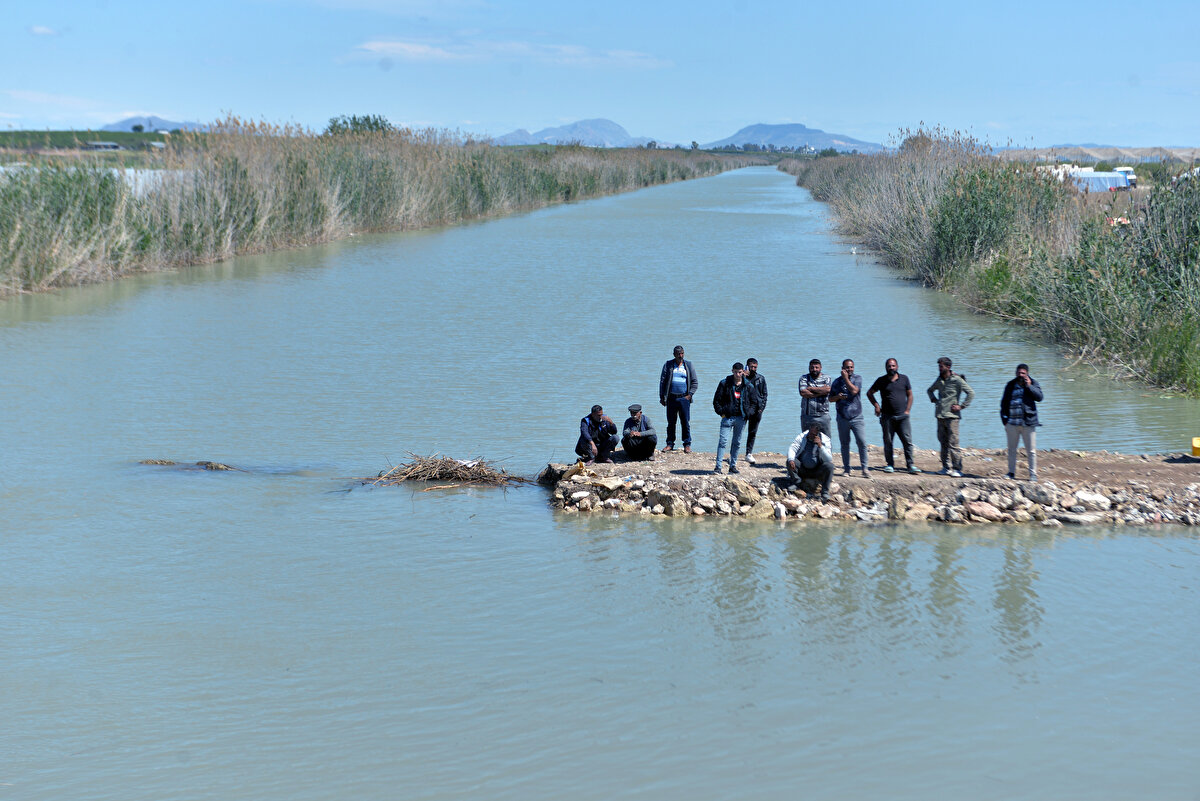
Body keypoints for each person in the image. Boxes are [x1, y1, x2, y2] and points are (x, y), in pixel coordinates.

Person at [866, 358, 920, 474]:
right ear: (886, 367)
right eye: (889, 366)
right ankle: (890, 464)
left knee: (907, 441)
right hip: (887, 417)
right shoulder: (881, 380)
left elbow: (910, 395)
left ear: (897, 367)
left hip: (903, 417)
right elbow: (869, 393)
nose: (891, 368)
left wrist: (907, 410)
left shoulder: (904, 379)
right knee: (888, 441)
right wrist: (876, 405)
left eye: (893, 366)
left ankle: (910, 465)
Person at [927, 356, 975, 477]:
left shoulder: (957, 380)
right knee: (943, 443)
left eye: (941, 366)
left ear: (948, 367)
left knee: (953, 444)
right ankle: (946, 467)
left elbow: (971, 393)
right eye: (939, 366)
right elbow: (930, 390)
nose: (939, 368)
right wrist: (933, 399)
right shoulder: (939, 380)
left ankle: (957, 469)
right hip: (940, 416)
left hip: (952, 417)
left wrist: (961, 406)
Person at [712, 362, 760, 474]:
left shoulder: (748, 385)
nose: (738, 374)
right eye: (735, 372)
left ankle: (732, 466)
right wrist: (722, 413)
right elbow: (716, 401)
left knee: (737, 443)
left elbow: (754, 402)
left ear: (743, 372)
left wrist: (748, 414)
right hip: (727, 418)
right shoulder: (724, 383)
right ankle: (718, 467)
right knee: (722, 441)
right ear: (732, 371)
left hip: (741, 418)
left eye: (740, 372)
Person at [1000, 363, 1044, 481]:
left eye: (1023, 373)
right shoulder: (1010, 385)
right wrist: (1004, 420)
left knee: (1031, 451)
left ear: (1027, 373)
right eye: (1019, 373)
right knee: (1011, 450)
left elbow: (1040, 397)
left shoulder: (1033, 383)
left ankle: (1033, 474)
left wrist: (1029, 386)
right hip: (1012, 423)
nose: (1021, 375)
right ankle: (1011, 473)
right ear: (1016, 373)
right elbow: (1003, 403)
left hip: (1028, 423)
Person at [829, 358, 870, 477]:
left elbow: (854, 391)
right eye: (847, 367)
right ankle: (846, 469)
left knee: (862, 442)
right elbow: (830, 399)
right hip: (842, 417)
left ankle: (864, 469)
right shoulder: (836, 382)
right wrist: (838, 397)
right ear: (842, 368)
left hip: (857, 417)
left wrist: (846, 378)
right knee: (844, 444)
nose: (849, 369)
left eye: (851, 367)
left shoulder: (857, 378)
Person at [659, 345, 698, 453]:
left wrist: (690, 395)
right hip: (671, 398)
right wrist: (662, 396)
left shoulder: (688, 365)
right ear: (674, 354)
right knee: (671, 422)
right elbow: (662, 381)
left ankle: (687, 444)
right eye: (678, 354)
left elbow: (695, 382)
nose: (680, 356)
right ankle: (670, 443)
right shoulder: (668, 365)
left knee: (685, 422)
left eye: (682, 353)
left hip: (684, 398)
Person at [787, 423, 835, 502]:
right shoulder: (802, 436)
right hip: (803, 469)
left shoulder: (825, 440)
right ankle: (797, 482)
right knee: (790, 461)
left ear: (817, 434)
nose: (810, 435)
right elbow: (792, 448)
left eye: (813, 434)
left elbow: (828, 459)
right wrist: (791, 459)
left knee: (830, 466)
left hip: (817, 471)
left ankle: (825, 492)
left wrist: (820, 446)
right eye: (810, 433)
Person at [798, 358, 832, 437]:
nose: (814, 369)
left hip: (823, 415)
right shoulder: (804, 378)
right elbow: (803, 392)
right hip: (807, 415)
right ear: (809, 368)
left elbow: (828, 390)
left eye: (817, 367)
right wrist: (821, 391)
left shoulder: (826, 378)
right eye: (812, 367)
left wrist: (811, 388)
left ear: (821, 368)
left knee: (826, 440)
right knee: (807, 439)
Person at [743, 357, 768, 465]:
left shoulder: (760, 378)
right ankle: (733, 453)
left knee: (752, 432)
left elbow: (765, 394)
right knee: (738, 432)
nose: (753, 369)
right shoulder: (741, 377)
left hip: (757, 409)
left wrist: (761, 408)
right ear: (747, 366)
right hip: (744, 409)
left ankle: (748, 453)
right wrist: (743, 377)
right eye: (751, 367)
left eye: (755, 367)